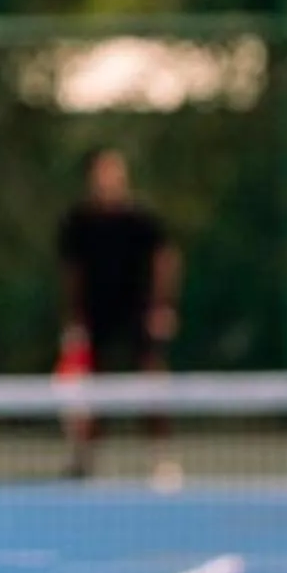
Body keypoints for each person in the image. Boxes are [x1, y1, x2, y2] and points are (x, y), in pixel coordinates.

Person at [54, 146, 183, 485]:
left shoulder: (141, 219)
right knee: (93, 390)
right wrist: (73, 319)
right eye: (101, 174)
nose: (107, 181)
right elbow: (71, 273)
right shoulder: (78, 223)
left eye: (113, 173)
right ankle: (85, 460)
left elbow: (164, 261)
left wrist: (161, 307)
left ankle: (161, 459)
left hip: (137, 313)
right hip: (97, 315)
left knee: (151, 384)